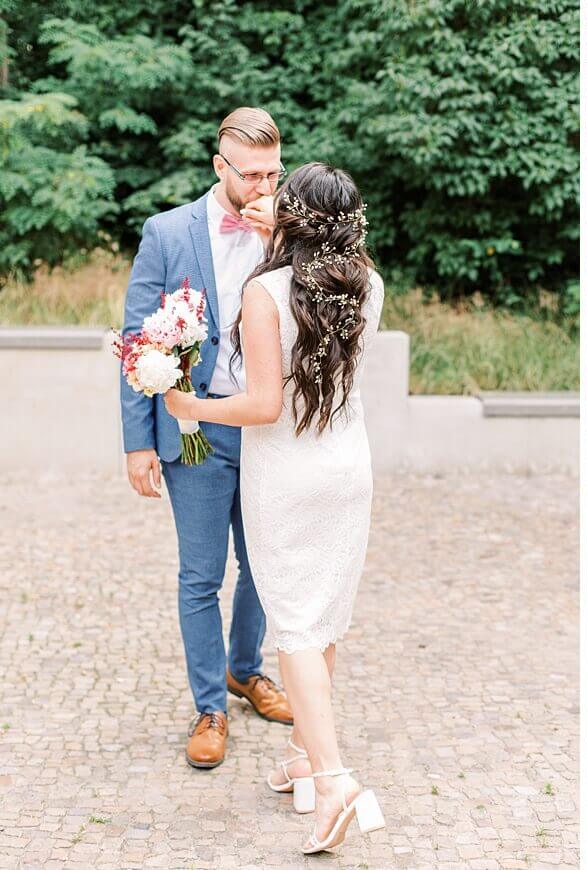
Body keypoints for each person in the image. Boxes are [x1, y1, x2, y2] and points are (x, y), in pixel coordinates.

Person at [164, 161, 387, 854]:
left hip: (288, 473)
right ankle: (301, 759)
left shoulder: (267, 290)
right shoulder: (370, 283)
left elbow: (262, 405)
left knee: (291, 626)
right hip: (348, 466)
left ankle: (335, 779)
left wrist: (188, 405)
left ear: (290, 216)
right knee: (322, 617)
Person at [119, 107, 293, 771]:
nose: (263, 184)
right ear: (220, 167)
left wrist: (284, 237)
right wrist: (138, 441)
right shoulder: (166, 233)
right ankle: (210, 707)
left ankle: (247, 672)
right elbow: (137, 341)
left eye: (273, 172)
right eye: (251, 174)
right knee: (201, 574)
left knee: (264, 564)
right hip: (194, 428)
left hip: (269, 428)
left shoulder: (290, 227)